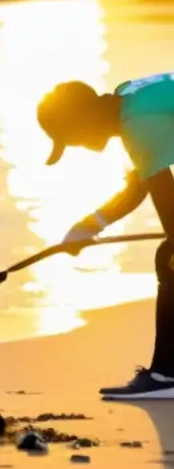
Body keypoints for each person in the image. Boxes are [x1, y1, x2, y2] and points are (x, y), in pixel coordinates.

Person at [38, 73, 174, 399]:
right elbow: (141, 183)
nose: (83, 147)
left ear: (86, 119)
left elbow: (163, 191)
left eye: (75, 139)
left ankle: (166, 375)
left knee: (168, 259)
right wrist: (89, 225)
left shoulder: (138, 125)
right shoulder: (127, 98)